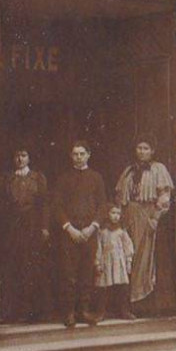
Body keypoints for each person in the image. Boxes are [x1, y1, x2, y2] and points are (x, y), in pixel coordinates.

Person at [52, 141, 108, 329]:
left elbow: (102, 205)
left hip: (89, 232)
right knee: (69, 273)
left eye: (82, 153)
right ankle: (69, 312)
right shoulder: (63, 178)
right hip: (70, 233)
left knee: (86, 273)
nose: (78, 157)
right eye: (75, 154)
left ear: (88, 155)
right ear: (71, 156)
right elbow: (57, 206)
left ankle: (84, 311)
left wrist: (93, 227)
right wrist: (69, 228)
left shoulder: (96, 178)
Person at [115, 137, 174, 305]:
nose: (142, 151)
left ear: (152, 151)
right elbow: (120, 197)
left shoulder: (158, 169)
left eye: (146, 148)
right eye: (139, 148)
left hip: (148, 217)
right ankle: (127, 301)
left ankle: (142, 299)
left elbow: (164, 197)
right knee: (128, 255)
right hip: (128, 217)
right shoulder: (129, 170)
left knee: (145, 257)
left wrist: (155, 217)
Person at [1, 148, 50, 322]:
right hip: (14, 227)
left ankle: (34, 312)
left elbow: (44, 204)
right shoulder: (9, 179)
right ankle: (16, 312)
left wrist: (44, 227)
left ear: (29, 158)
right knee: (15, 267)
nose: (20, 159)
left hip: (33, 227)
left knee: (32, 267)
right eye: (17, 156)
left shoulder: (37, 178)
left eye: (23, 156)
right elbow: (4, 205)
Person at [95, 204, 136, 320]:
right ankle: (101, 312)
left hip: (119, 261)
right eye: (113, 213)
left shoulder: (121, 231)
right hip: (106, 261)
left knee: (122, 286)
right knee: (103, 287)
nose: (115, 216)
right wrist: (97, 263)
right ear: (107, 214)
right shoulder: (102, 231)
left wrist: (128, 261)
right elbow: (98, 247)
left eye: (118, 214)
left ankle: (124, 311)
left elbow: (128, 246)